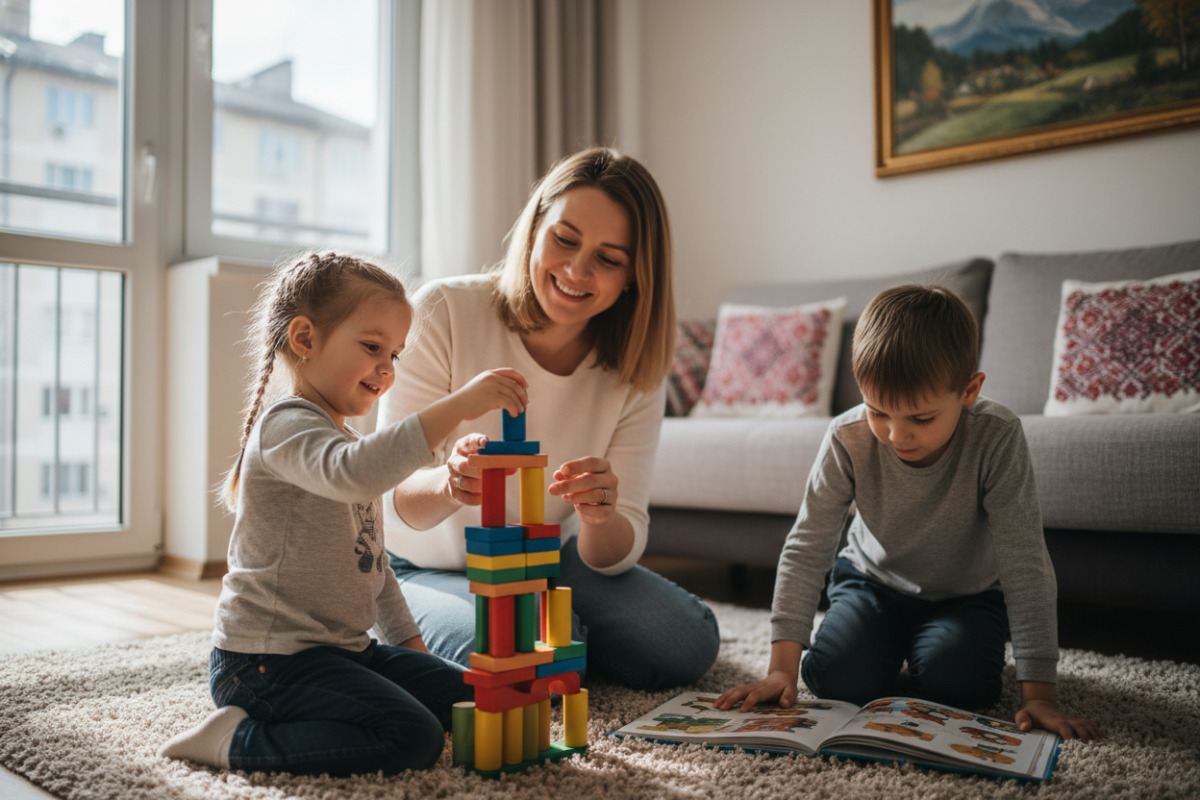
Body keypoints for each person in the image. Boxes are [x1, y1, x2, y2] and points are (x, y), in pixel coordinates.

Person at [159, 251, 530, 775]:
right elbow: (353, 471)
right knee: (413, 737)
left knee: (479, 694)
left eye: (395, 355)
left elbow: (375, 572)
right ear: (305, 339)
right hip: (265, 664)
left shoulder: (347, 443)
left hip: (345, 652)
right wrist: (459, 404)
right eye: (373, 347)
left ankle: (343, 706)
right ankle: (237, 739)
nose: (386, 368)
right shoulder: (286, 428)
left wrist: (418, 658)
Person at [378, 147, 720, 689]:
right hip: (423, 565)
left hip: (549, 563)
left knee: (684, 642)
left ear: (635, 275)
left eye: (609, 259)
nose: (577, 270)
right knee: (522, 656)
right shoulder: (442, 311)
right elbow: (388, 503)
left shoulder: (635, 366)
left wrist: (602, 517)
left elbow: (616, 551)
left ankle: (562, 638)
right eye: (565, 239)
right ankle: (439, 633)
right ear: (535, 227)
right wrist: (449, 484)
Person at [715, 285, 1100, 742]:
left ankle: (922, 647)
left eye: (920, 418)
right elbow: (809, 542)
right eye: (878, 411)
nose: (897, 435)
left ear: (969, 390)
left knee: (961, 685)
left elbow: (1025, 560)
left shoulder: (998, 437)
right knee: (837, 681)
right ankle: (882, 643)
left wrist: (1039, 694)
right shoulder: (848, 436)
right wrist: (781, 670)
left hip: (966, 595)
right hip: (871, 582)